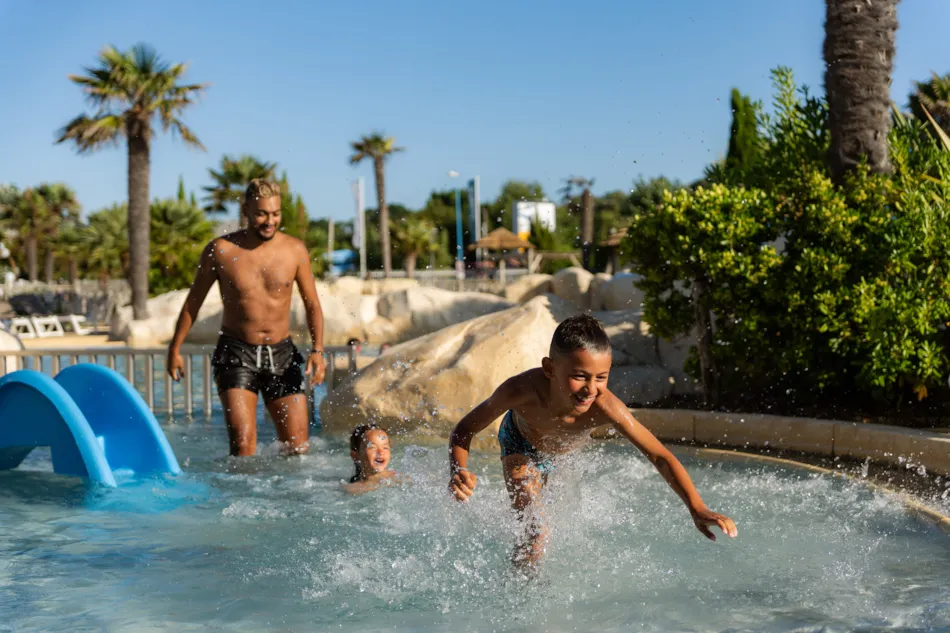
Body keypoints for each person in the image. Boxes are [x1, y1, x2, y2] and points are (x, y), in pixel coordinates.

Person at [447, 314, 737, 569]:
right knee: (535, 530)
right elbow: (464, 429)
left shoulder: (607, 407)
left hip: (562, 456)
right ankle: (519, 593)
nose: (590, 389)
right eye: (579, 376)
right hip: (520, 446)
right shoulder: (520, 391)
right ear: (549, 369)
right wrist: (458, 469)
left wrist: (696, 508)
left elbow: (660, 456)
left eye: (601, 377)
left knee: (549, 523)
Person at [166, 178, 326, 457]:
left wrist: (318, 350)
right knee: (242, 445)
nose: (269, 221)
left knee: (298, 448)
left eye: (275, 213)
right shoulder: (222, 250)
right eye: (262, 213)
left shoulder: (295, 250)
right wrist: (175, 348)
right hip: (236, 353)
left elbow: (312, 303)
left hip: (283, 353)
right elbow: (194, 301)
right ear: (246, 210)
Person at [343, 423, 405, 495]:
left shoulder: (400, 479)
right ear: (355, 456)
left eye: (385, 447)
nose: (380, 452)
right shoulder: (352, 488)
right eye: (372, 447)